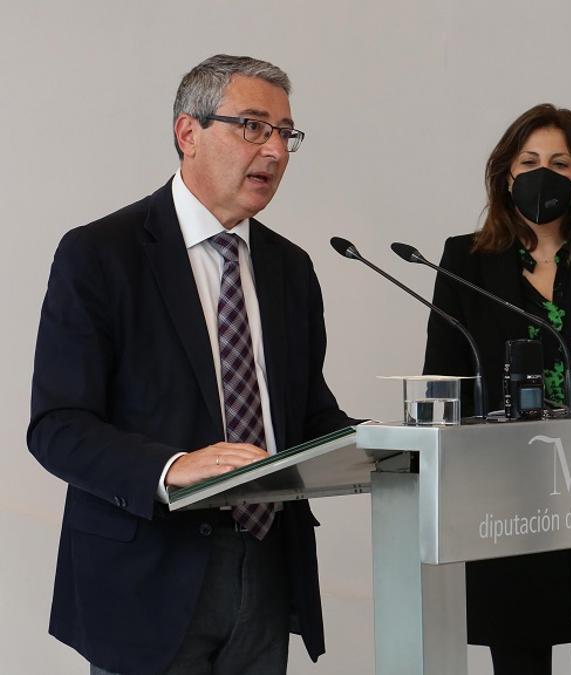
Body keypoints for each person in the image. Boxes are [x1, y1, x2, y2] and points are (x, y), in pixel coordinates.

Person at [27, 54, 354, 675]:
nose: (276, 151)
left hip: (265, 570)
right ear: (188, 133)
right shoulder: (101, 254)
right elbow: (58, 426)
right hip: (147, 574)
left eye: (286, 133)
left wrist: (384, 444)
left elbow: (307, 411)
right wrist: (174, 467)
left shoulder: (291, 269)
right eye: (253, 127)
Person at [423, 103, 571, 675]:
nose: (543, 174)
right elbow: (445, 378)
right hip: (510, 513)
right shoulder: (467, 260)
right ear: (506, 173)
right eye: (529, 160)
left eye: (560, 162)